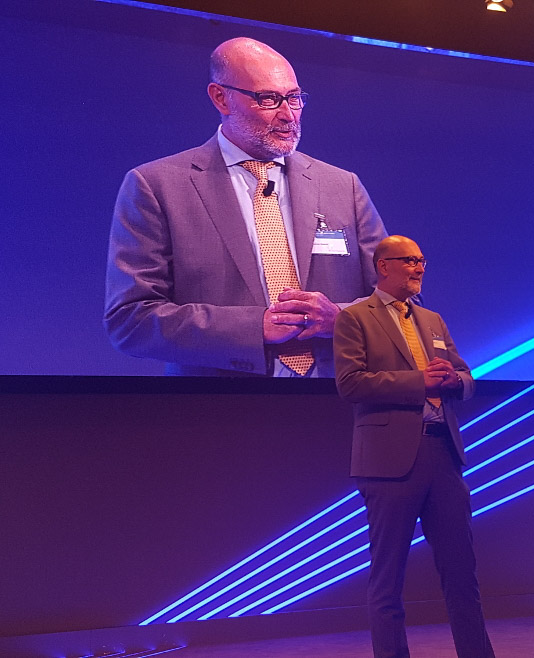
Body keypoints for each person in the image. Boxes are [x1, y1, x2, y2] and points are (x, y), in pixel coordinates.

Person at [105, 37, 387, 376]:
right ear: (220, 97)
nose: (288, 115)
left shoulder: (343, 186)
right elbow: (131, 320)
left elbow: (403, 300)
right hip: (225, 402)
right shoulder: (156, 186)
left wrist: (342, 319)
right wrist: (253, 328)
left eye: (294, 98)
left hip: (336, 396)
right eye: (268, 99)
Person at [334, 235, 495, 658]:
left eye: (422, 260)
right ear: (383, 266)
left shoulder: (432, 319)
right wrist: (418, 381)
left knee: (462, 572)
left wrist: (454, 380)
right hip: (388, 463)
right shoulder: (354, 317)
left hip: (443, 454)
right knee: (388, 577)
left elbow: (466, 378)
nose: (419, 267)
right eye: (409, 260)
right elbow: (350, 384)